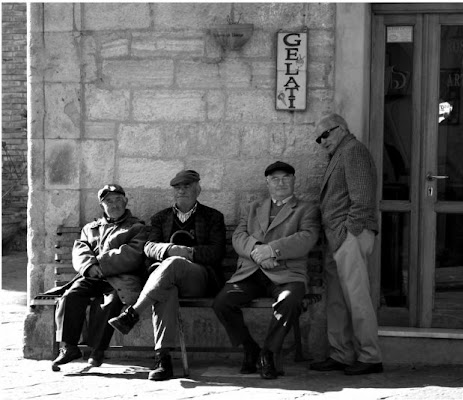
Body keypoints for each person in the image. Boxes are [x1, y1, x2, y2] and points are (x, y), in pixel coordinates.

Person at [108, 169, 226, 381]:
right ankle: (163, 360)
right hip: (164, 281)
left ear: (198, 189)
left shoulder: (213, 217)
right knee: (166, 290)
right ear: (173, 192)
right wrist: (168, 249)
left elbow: (216, 253)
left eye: (187, 187)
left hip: (199, 278)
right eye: (178, 188)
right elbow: (148, 247)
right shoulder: (160, 218)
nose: (182, 191)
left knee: (174, 264)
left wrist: (189, 253)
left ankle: (133, 314)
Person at [212, 161, 320, 380]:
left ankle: (268, 353)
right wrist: (257, 252)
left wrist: (273, 250)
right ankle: (249, 348)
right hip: (252, 272)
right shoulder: (254, 207)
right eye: (275, 179)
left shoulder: (306, 209)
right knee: (222, 302)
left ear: (294, 180)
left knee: (289, 301)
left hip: (287, 273)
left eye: (286, 178)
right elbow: (238, 236)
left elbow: (307, 238)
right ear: (267, 183)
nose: (280, 183)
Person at [309, 113, 383, 375]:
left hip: (348, 235)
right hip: (337, 238)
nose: (321, 141)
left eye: (325, 134)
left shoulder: (353, 151)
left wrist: (348, 232)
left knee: (357, 298)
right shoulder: (339, 153)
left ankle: (370, 356)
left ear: (340, 129)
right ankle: (341, 353)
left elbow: (362, 199)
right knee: (338, 300)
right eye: (318, 139)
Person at [51, 184, 148, 370]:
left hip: (119, 279)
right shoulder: (91, 228)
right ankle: (68, 347)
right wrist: (89, 267)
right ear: (102, 205)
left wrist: (101, 265)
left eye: (118, 200)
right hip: (91, 277)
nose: (114, 205)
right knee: (71, 296)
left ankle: (97, 350)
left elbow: (132, 253)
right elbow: (80, 249)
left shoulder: (136, 227)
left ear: (126, 201)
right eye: (108, 201)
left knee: (109, 303)